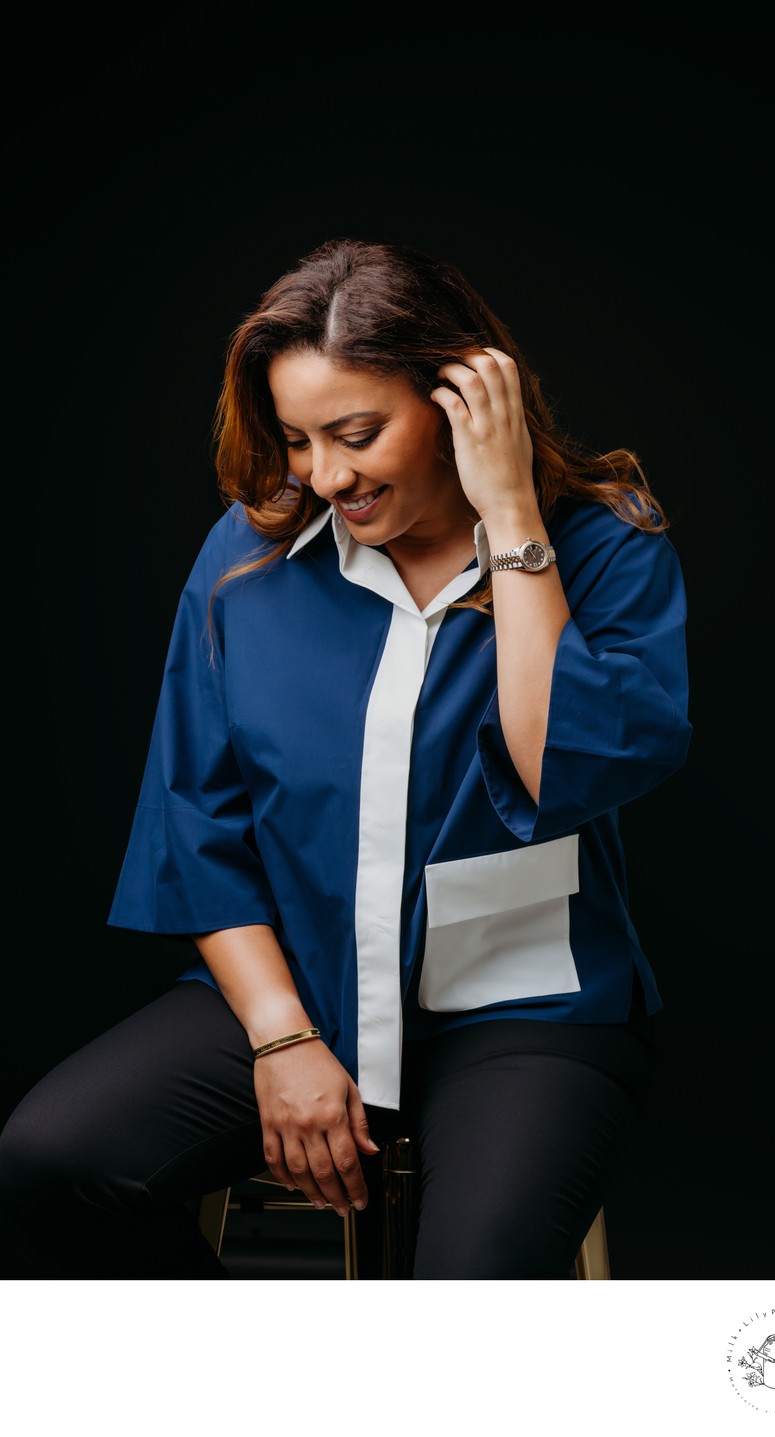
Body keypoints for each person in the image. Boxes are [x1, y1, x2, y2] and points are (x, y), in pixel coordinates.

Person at [0, 237, 691, 1279]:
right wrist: (279, 1040)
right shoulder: (245, 559)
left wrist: (508, 518)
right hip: (300, 991)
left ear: (457, 397)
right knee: (52, 1158)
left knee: (478, 1266)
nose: (323, 476)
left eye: (355, 434)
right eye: (295, 439)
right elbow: (197, 821)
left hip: (526, 1011)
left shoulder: (602, 546)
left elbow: (562, 770)